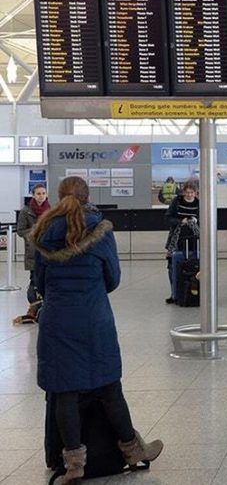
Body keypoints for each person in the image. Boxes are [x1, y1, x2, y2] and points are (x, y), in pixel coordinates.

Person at [32, 177, 163, 483]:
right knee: (109, 387)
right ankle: (132, 450)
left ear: (59, 196)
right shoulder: (100, 231)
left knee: (64, 392)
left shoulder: (43, 231)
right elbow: (113, 278)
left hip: (58, 323)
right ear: (88, 197)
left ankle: (74, 464)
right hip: (94, 319)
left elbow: (40, 282)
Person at [164, 182, 200, 304]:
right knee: (172, 265)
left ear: (196, 193)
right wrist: (180, 221)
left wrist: (196, 220)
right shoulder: (177, 202)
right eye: (187, 192)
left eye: (192, 193)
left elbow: (204, 218)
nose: (190, 195)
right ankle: (174, 292)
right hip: (177, 238)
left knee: (193, 264)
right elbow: (168, 217)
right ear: (184, 192)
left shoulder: (199, 203)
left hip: (194, 239)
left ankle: (192, 291)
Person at [17, 184, 50, 306]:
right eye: (38, 193)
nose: (41, 196)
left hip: (47, 250)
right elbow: (20, 231)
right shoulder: (25, 211)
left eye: (43, 193)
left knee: (47, 279)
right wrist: (36, 230)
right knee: (35, 279)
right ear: (33, 195)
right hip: (33, 251)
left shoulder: (51, 210)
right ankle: (34, 304)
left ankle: (46, 304)